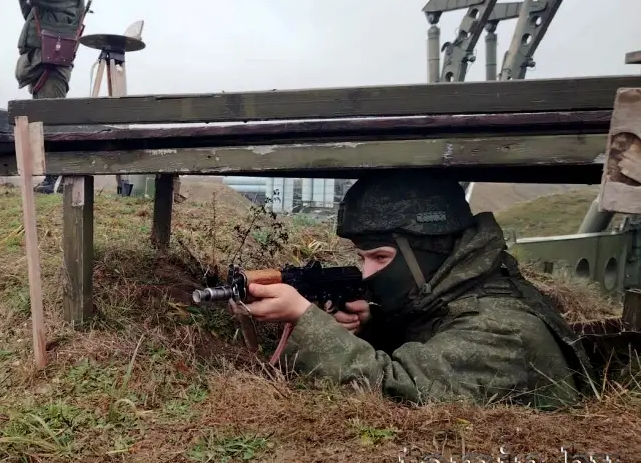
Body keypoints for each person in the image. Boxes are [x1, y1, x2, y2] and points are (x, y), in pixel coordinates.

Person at [231, 171, 597, 410]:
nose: (367, 273)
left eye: (379, 256)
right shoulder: (464, 288)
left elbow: (398, 391)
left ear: (428, 253)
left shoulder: (501, 330)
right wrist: (374, 324)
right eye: (362, 257)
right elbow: (434, 342)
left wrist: (306, 320)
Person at [14, 0, 85, 194]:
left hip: (52, 66)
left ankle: (54, 179)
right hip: (42, 63)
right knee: (42, 122)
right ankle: (51, 178)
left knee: (51, 121)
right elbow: (31, 11)